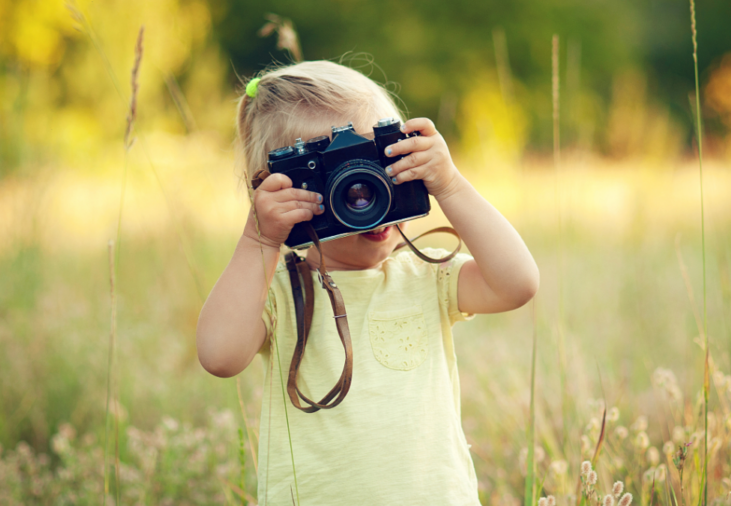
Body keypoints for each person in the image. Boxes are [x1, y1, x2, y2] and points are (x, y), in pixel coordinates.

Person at [196, 60, 539, 505]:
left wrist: (450, 186)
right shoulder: (279, 289)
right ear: (282, 188)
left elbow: (519, 284)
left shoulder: (427, 273)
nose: (364, 192)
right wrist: (259, 240)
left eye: (376, 164)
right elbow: (219, 356)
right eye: (338, 178)